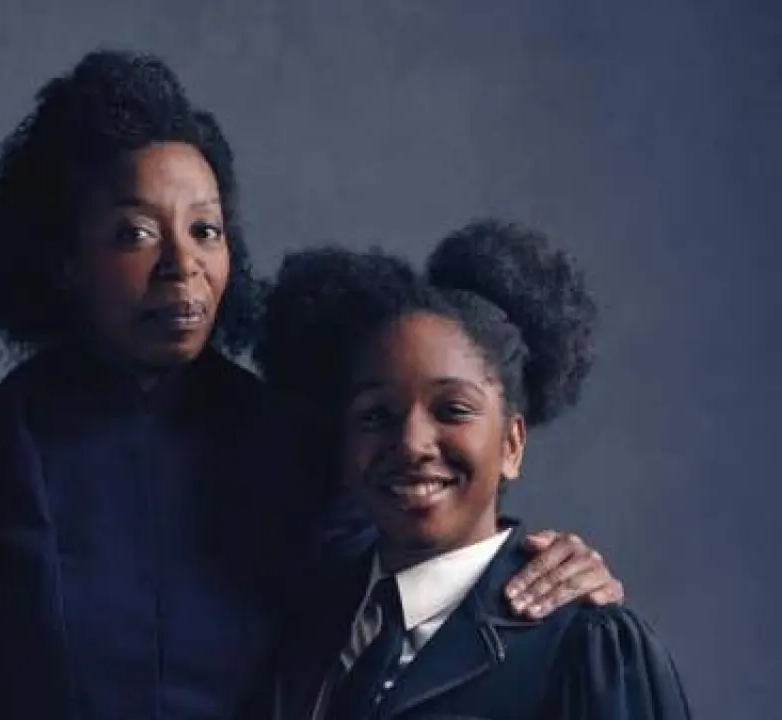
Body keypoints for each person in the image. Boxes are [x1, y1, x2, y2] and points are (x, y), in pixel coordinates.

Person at [0, 50, 622, 720]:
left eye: (205, 230)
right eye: (135, 233)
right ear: (63, 258)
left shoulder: (302, 447)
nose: (183, 264)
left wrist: (540, 572)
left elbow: (426, 584)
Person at [257, 220, 691, 718]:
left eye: (453, 409)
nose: (412, 444)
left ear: (512, 444)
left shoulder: (586, 647)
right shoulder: (307, 626)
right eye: (376, 415)